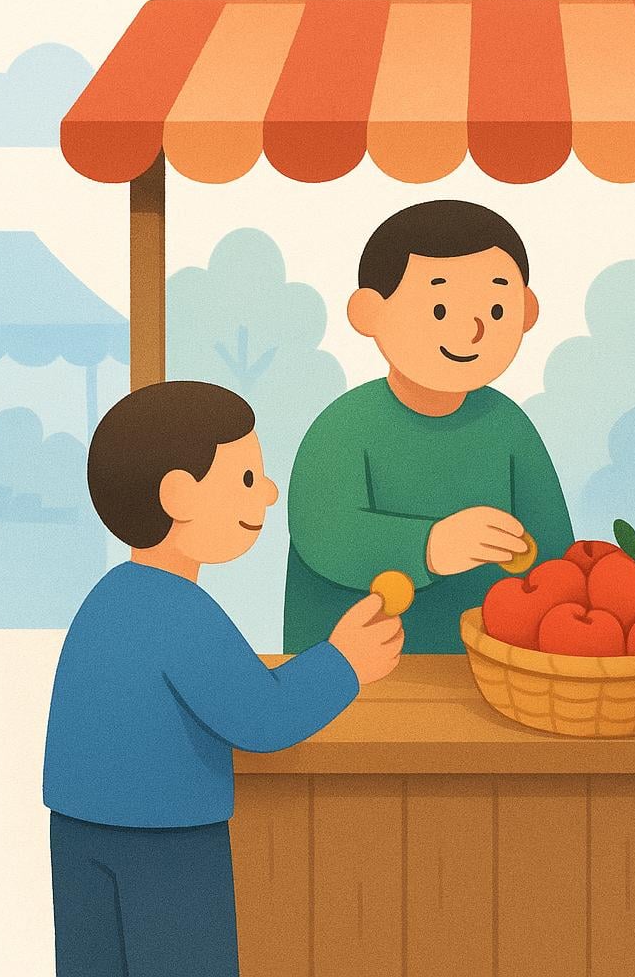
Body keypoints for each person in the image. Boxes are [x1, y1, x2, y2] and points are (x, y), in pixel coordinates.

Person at [43, 381, 404, 977]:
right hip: (168, 842)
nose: (269, 492)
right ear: (180, 496)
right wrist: (344, 663)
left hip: (77, 832)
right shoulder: (179, 609)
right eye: (247, 478)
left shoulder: (107, 599)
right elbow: (262, 719)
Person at [284, 200, 573, 653]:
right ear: (369, 312)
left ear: (526, 311)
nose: (473, 330)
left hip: (493, 658)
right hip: (358, 660)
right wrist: (429, 546)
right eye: (439, 309)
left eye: (496, 310)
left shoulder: (509, 426)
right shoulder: (344, 426)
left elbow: (555, 552)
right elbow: (322, 534)